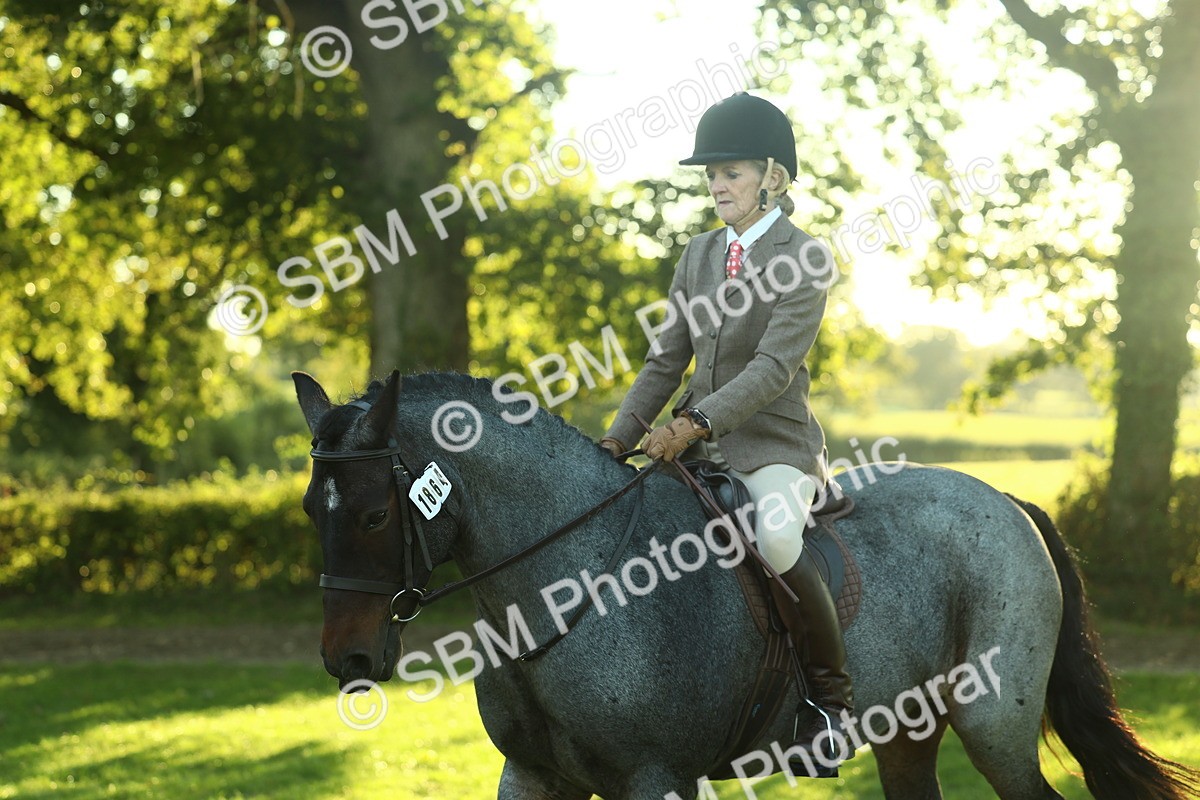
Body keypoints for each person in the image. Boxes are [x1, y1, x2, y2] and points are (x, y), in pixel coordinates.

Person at [598, 92, 854, 771]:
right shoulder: (698, 254)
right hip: (696, 443)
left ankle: (829, 706)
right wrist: (617, 440)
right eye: (710, 174)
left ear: (773, 176)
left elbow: (773, 367)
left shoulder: (806, 258)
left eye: (731, 172)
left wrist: (693, 423)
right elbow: (665, 359)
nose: (716, 185)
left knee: (774, 535)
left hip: (773, 446)